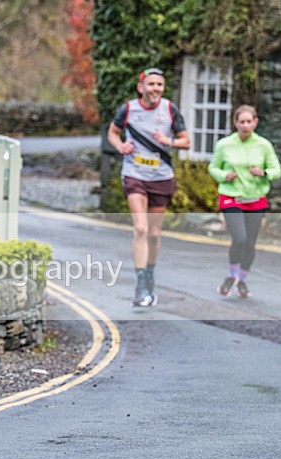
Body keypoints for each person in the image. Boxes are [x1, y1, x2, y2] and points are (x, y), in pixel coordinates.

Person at [107, 67, 191, 307]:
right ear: (141, 87)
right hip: (134, 174)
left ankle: (150, 273)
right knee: (141, 229)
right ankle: (140, 283)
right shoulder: (129, 108)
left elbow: (187, 141)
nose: (156, 89)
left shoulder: (170, 109)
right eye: (151, 84)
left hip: (161, 176)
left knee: (154, 234)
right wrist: (120, 145)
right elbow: (113, 133)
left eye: (160, 85)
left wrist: (169, 141)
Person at [208, 105, 281, 298]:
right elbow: (213, 167)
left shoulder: (263, 145)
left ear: (255, 122)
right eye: (242, 121)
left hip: (255, 198)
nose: (245, 125)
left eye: (249, 121)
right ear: (235, 123)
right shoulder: (224, 145)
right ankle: (231, 275)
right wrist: (224, 175)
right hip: (231, 197)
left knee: (250, 243)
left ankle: (242, 280)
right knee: (239, 238)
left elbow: (277, 170)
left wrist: (264, 173)